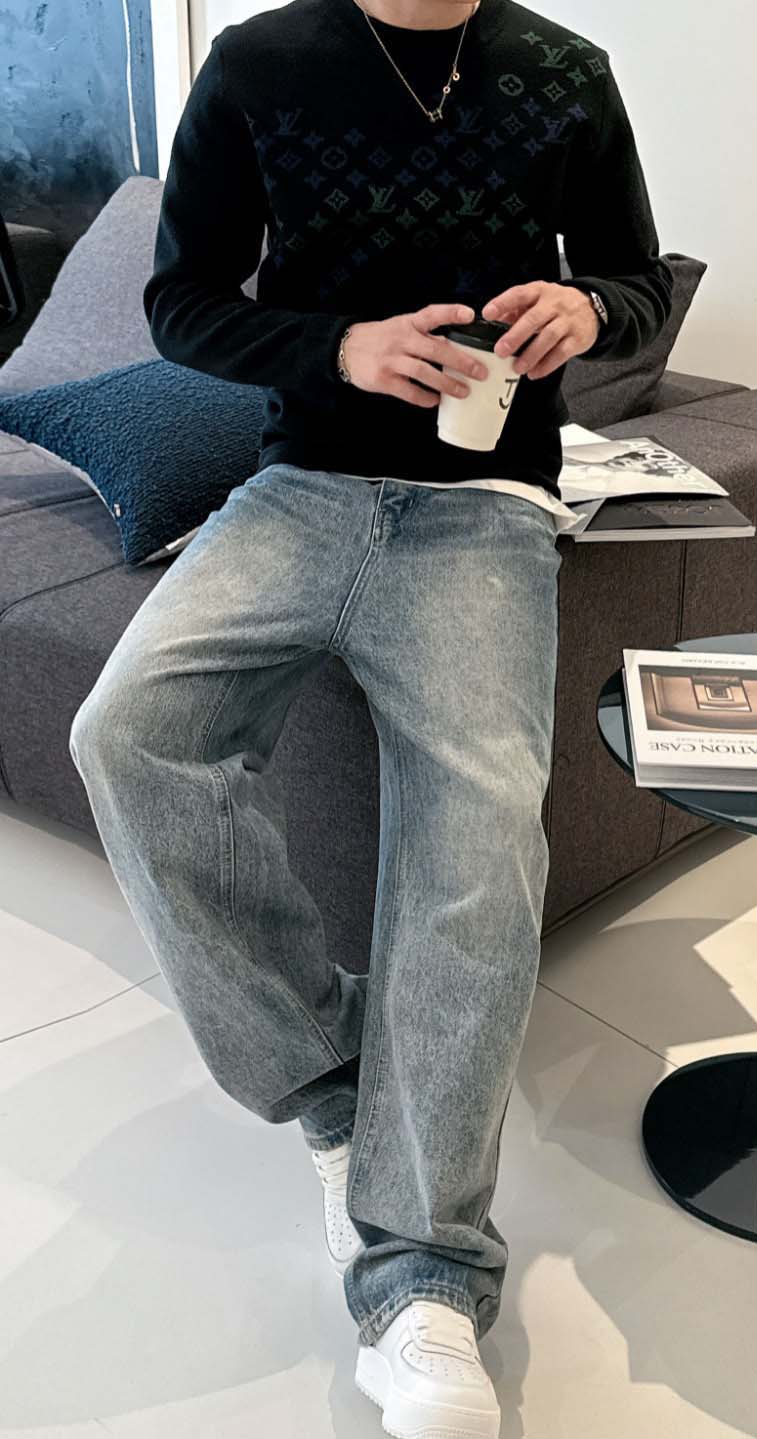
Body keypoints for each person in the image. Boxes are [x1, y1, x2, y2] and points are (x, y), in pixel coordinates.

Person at [68, 0, 672, 1433]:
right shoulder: (257, 64)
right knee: (128, 734)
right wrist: (338, 351)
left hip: (489, 507)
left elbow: (641, 281)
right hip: (300, 490)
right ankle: (334, 1080)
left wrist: (593, 311)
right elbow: (182, 302)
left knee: (480, 836)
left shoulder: (567, 73)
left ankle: (423, 1278)